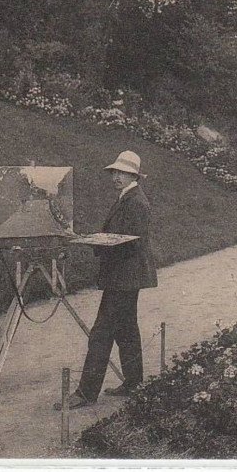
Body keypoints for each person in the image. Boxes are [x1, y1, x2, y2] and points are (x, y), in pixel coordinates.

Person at [56, 150, 158, 409]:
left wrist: (96, 242)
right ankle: (135, 384)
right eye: (114, 172)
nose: (116, 177)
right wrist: (93, 239)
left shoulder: (135, 202)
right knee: (126, 331)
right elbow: (117, 236)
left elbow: (130, 243)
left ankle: (85, 393)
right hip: (125, 276)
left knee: (101, 332)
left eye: (122, 172)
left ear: (133, 175)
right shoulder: (128, 198)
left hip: (124, 277)